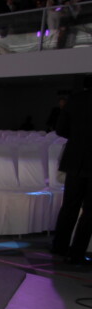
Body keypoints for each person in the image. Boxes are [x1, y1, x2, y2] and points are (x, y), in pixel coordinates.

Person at [51, 76, 92, 265]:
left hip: (74, 158)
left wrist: (77, 138)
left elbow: (60, 129)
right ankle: (77, 253)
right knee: (89, 212)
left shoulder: (74, 100)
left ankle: (59, 247)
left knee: (69, 206)